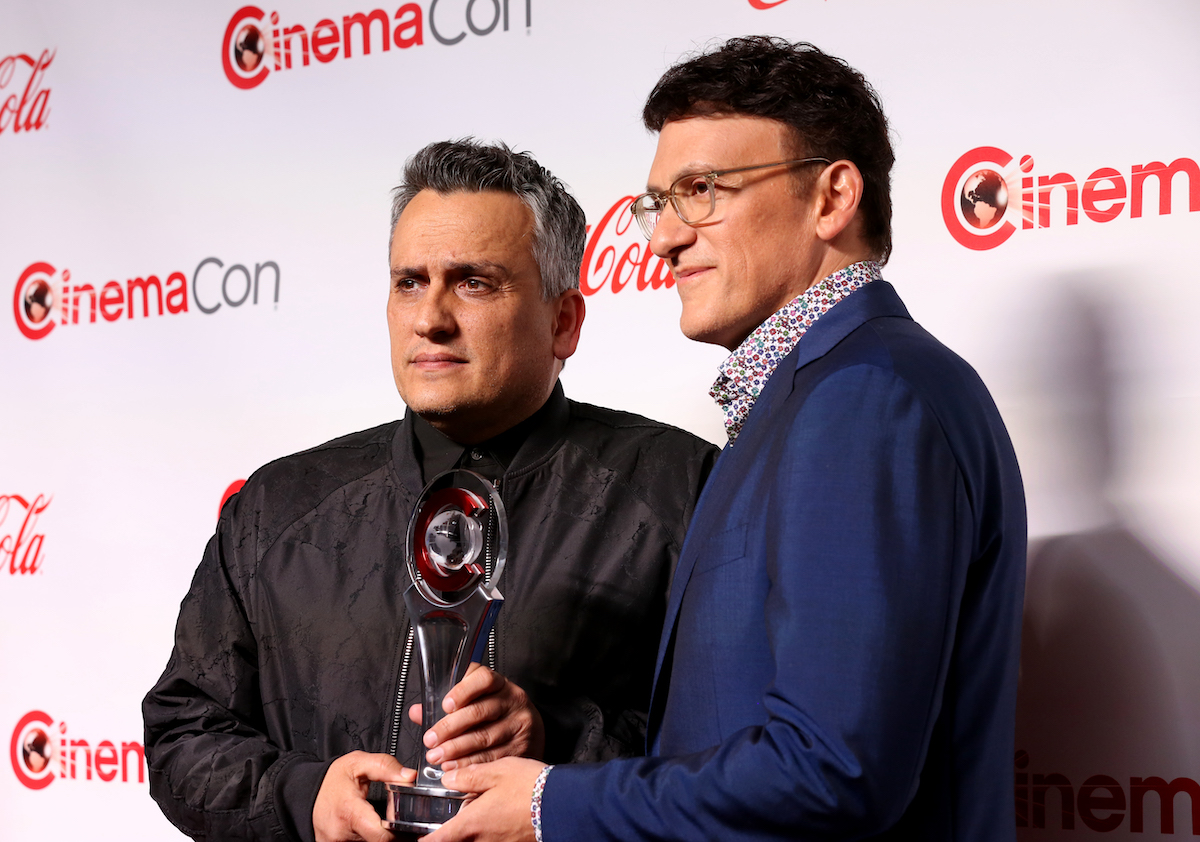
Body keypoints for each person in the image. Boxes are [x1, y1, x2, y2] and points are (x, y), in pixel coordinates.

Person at [429, 37, 1027, 842]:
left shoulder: (865, 400)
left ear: (831, 197)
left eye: (702, 190)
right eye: (657, 204)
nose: (662, 239)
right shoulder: (821, 395)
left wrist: (552, 805)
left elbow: (833, 769)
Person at [142, 139, 718, 842]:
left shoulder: (679, 488)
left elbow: (744, 753)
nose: (430, 318)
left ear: (563, 321)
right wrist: (307, 797)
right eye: (409, 282)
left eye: (474, 282)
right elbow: (183, 734)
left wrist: (557, 738)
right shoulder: (278, 507)